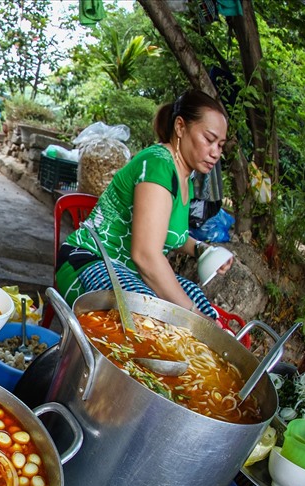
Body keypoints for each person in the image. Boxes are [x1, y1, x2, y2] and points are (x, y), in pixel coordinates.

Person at [55, 90, 233, 319]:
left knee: (204, 308)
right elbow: (146, 256)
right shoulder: (158, 165)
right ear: (180, 127)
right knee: (147, 317)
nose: (216, 153)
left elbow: (167, 234)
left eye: (220, 145)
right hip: (90, 261)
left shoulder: (185, 178)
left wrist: (202, 250)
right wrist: (192, 316)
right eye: (209, 140)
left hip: (131, 273)